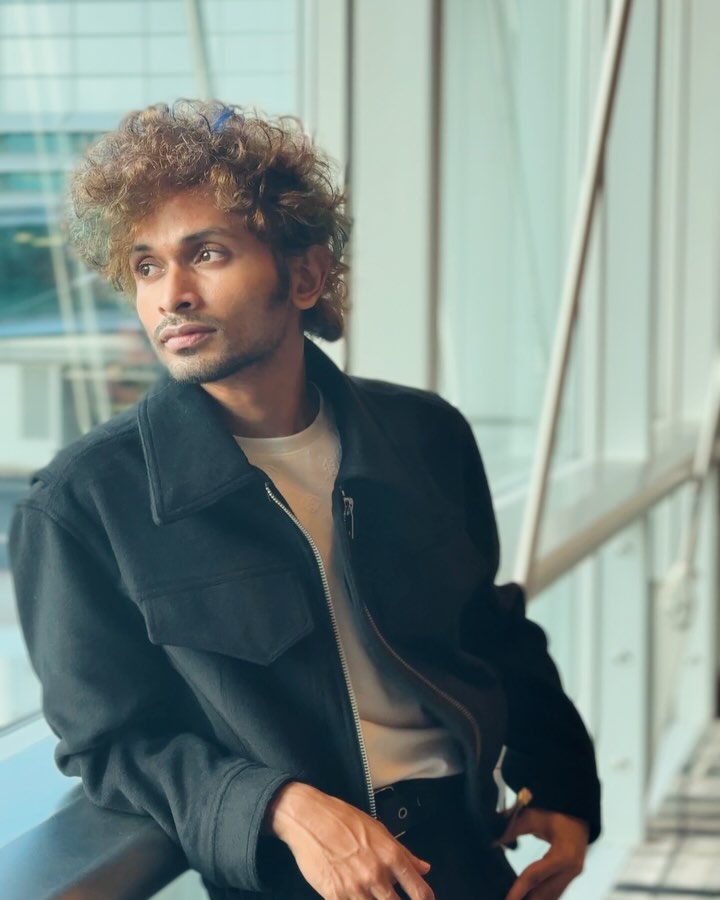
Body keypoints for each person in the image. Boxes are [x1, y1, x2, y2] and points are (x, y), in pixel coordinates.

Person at [10, 101, 600, 900]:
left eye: (207, 253)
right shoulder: (85, 503)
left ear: (306, 275)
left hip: (470, 853)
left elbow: (490, 631)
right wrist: (279, 806)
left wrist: (564, 782)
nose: (171, 295)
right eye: (146, 266)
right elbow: (111, 745)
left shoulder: (423, 435)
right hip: (297, 878)